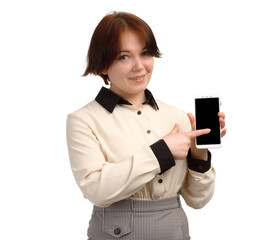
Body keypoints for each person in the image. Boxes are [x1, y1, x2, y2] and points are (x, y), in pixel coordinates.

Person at [66, 11, 227, 240]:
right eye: (124, 57)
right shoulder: (83, 120)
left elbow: (198, 200)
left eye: (145, 53)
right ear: (102, 65)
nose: (139, 66)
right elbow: (96, 189)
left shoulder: (178, 117)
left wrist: (198, 153)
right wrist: (162, 152)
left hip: (175, 230)